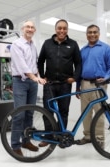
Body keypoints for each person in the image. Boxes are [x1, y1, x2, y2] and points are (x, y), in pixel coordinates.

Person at [37, 19, 82, 147]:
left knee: (63, 112)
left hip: (65, 85)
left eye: (64, 28)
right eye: (59, 28)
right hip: (49, 84)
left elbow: (78, 63)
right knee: (48, 112)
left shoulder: (73, 44)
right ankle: (48, 137)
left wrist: (75, 78)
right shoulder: (47, 43)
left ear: (67, 30)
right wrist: (43, 76)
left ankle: (61, 137)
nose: (62, 31)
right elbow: (40, 61)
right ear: (55, 29)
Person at [75, 24, 110, 145]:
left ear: (98, 34)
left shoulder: (106, 48)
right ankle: (88, 136)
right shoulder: (82, 51)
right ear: (86, 34)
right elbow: (79, 69)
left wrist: (106, 78)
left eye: (95, 32)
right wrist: (77, 86)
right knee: (85, 113)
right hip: (84, 84)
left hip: (99, 85)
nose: (92, 34)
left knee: (99, 112)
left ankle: (99, 138)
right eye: (89, 32)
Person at [10, 20, 46, 156]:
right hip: (20, 82)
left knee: (30, 113)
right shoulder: (16, 44)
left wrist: (39, 77)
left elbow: (33, 64)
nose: (30, 29)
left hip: (32, 82)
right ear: (22, 29)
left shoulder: (32, 45)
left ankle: (26, 141)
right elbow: (22, 66)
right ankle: (15, 145)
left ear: (34, 30)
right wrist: (34, 77)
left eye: (32, 27)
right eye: (27, 27)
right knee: (19, 115)